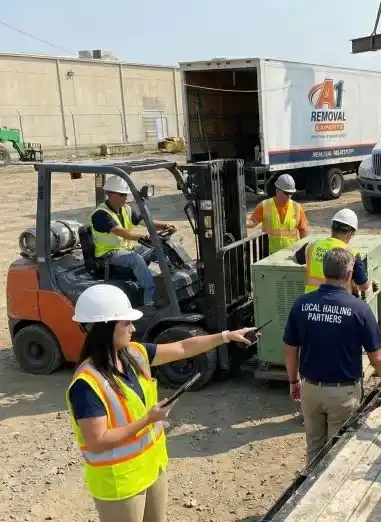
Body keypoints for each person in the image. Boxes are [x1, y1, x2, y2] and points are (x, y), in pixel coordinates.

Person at [66, 284, 257, 522]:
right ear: (104, 329)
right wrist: (149, 419)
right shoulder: (87, 385)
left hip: (152, 467)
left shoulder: (135, 353)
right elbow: (98, 441)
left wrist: (226, 336)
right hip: (119, 485)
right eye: (126, 323)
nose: (133, 328)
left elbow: (183, 347)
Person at [283, 248, 381, 462]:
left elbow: (290, 350)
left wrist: (293, 381)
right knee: (336, 455)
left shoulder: (301, 304)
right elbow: (377, 358)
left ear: (325, 271)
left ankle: (309, 492)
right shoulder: (359, 309)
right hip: (342, 394)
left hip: (310, 390)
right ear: (349, 273)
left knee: (314, 448)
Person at [90, 175, 175, 304]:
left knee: (159, 248)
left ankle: (173, 282)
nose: (126, 198)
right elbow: (120, 232)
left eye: (126, 195)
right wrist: (139, 237)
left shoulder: (126, 209)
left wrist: (165, 225)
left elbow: (146, 222)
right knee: (136, 259)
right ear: (111, 194)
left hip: (125, 249)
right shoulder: (101, 214)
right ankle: (153, 296)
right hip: (108, 255)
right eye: (122, 195)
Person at [294, 208, 370, 295]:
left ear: (332, 229)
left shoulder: (312, 245)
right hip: (338, 303)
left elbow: (297, 259)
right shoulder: (352, 254)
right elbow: (363, 286)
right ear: (350, 233)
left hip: (311, 301)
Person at [246, 174, 309, 254]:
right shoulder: (265, 205)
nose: (289, 196)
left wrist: (304, 250)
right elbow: (253, 222)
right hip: (270, 254)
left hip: (291, 253)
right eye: (286, 193)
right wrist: (243, 223)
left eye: (291, 193)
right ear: (277, 191)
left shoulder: (297, 207)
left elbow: (303, 230)